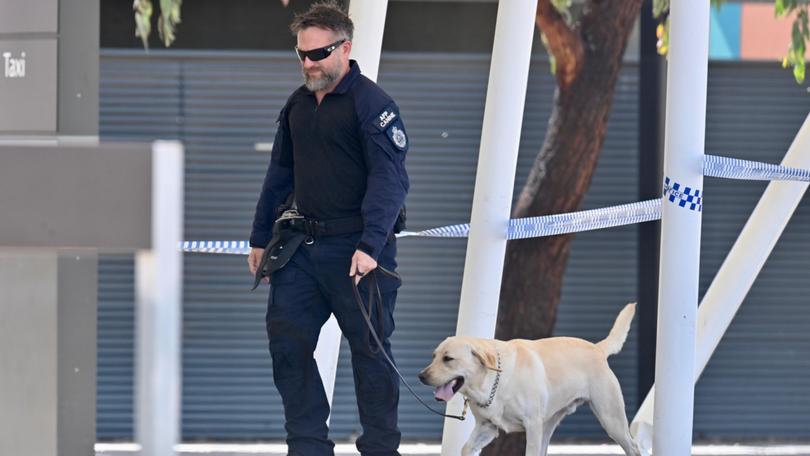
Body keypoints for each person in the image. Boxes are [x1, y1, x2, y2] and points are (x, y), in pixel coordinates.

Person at [247, 2, 409, 455]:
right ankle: (308, 446)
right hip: (301, 247)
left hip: (357, 249)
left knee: (370, 353)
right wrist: (260, 238)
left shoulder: (372, 105)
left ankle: (380, 447)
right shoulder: (298, 104)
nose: (308, 63)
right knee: (287, 343)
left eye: (318, 54)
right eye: (301, 54)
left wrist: (371, 245)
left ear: (345, 48)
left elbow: (390, 181)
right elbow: (279, 174)